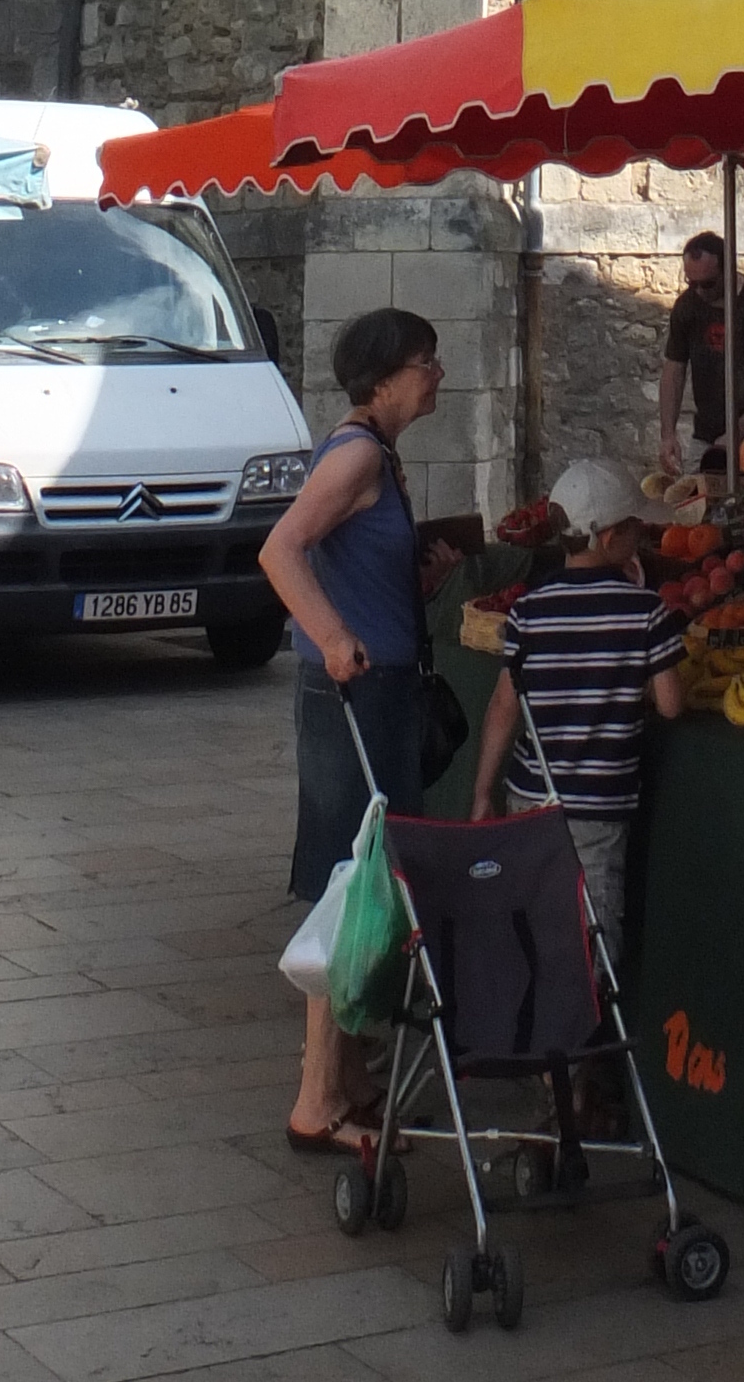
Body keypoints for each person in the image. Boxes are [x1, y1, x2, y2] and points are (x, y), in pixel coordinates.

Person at [260, 305, 446, 1160]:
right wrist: (335, 639)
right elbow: (281, 550)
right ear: (384, 378)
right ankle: (317, 1099)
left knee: (374, 884)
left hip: (379, 694)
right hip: (355, 700)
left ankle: (354, 1082)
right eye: (424, 362)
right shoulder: (360, 452)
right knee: (351, 888)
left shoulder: (376, 453)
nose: (436, 373)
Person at [469, 456, 685, 965]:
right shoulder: (644, 610)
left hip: (530, 797)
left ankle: (533, 1023)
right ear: (608, 537)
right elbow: (672, 705)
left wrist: (483, 792)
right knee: (591, 929)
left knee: (531, 918)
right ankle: (584, 1031)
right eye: (635, 526)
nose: (643, 534)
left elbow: (504, 707)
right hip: (597, 807)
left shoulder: (527, 612)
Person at [656, 233, 744, 479]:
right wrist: (668, 435)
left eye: (707, 283)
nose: (698, 291)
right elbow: (674, 369)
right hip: (706, 433)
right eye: (690, 282)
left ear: (728, 271)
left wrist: (737, 432)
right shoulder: (687, 306)